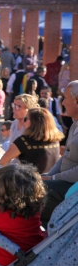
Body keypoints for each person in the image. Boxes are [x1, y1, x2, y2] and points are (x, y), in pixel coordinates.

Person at [41, 80, 78, 229]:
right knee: (30, 181)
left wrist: (53, 178)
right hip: (64, 182)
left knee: (37, 190)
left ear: (76, 100)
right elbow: (65, 158)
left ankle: (40, 242)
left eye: (65, 98)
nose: (62, 102)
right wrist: (49, 175)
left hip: (73, 187)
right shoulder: (75, 123)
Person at [0, 108, 63, 174]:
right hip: (51, 179)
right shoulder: (55, 139)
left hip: (28, 181)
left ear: (34, 122)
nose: (24, 121)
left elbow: (3, 161)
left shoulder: (24, 141)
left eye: (26, 118)